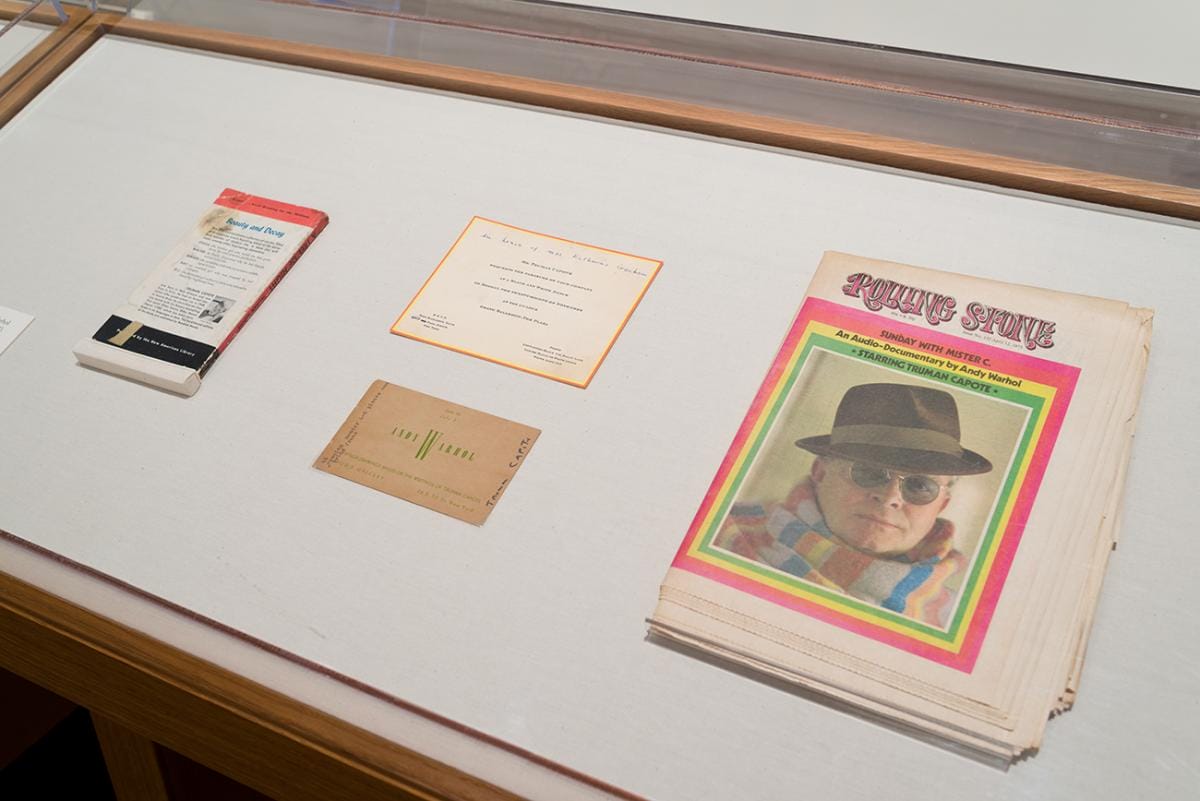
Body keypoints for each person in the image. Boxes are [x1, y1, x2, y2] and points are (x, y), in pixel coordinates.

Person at [716, 382, 993, 626]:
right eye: (869, 472)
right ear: (820, 473)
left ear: (941, 504)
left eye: (920, 486)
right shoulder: (721, 532)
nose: (890, 498)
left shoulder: (956, 621)